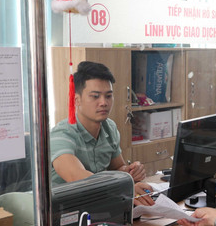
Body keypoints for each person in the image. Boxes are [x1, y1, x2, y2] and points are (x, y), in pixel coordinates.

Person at [50, 61, 154, 206]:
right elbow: (76, 177)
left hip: (100, 205)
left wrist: (131, 171)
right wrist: (126, 189)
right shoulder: (61, 135)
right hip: (65, 211)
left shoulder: (109, 127)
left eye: (108, 96)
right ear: (76, 100)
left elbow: (117, 168)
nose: (103, 102)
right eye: (95, 96)